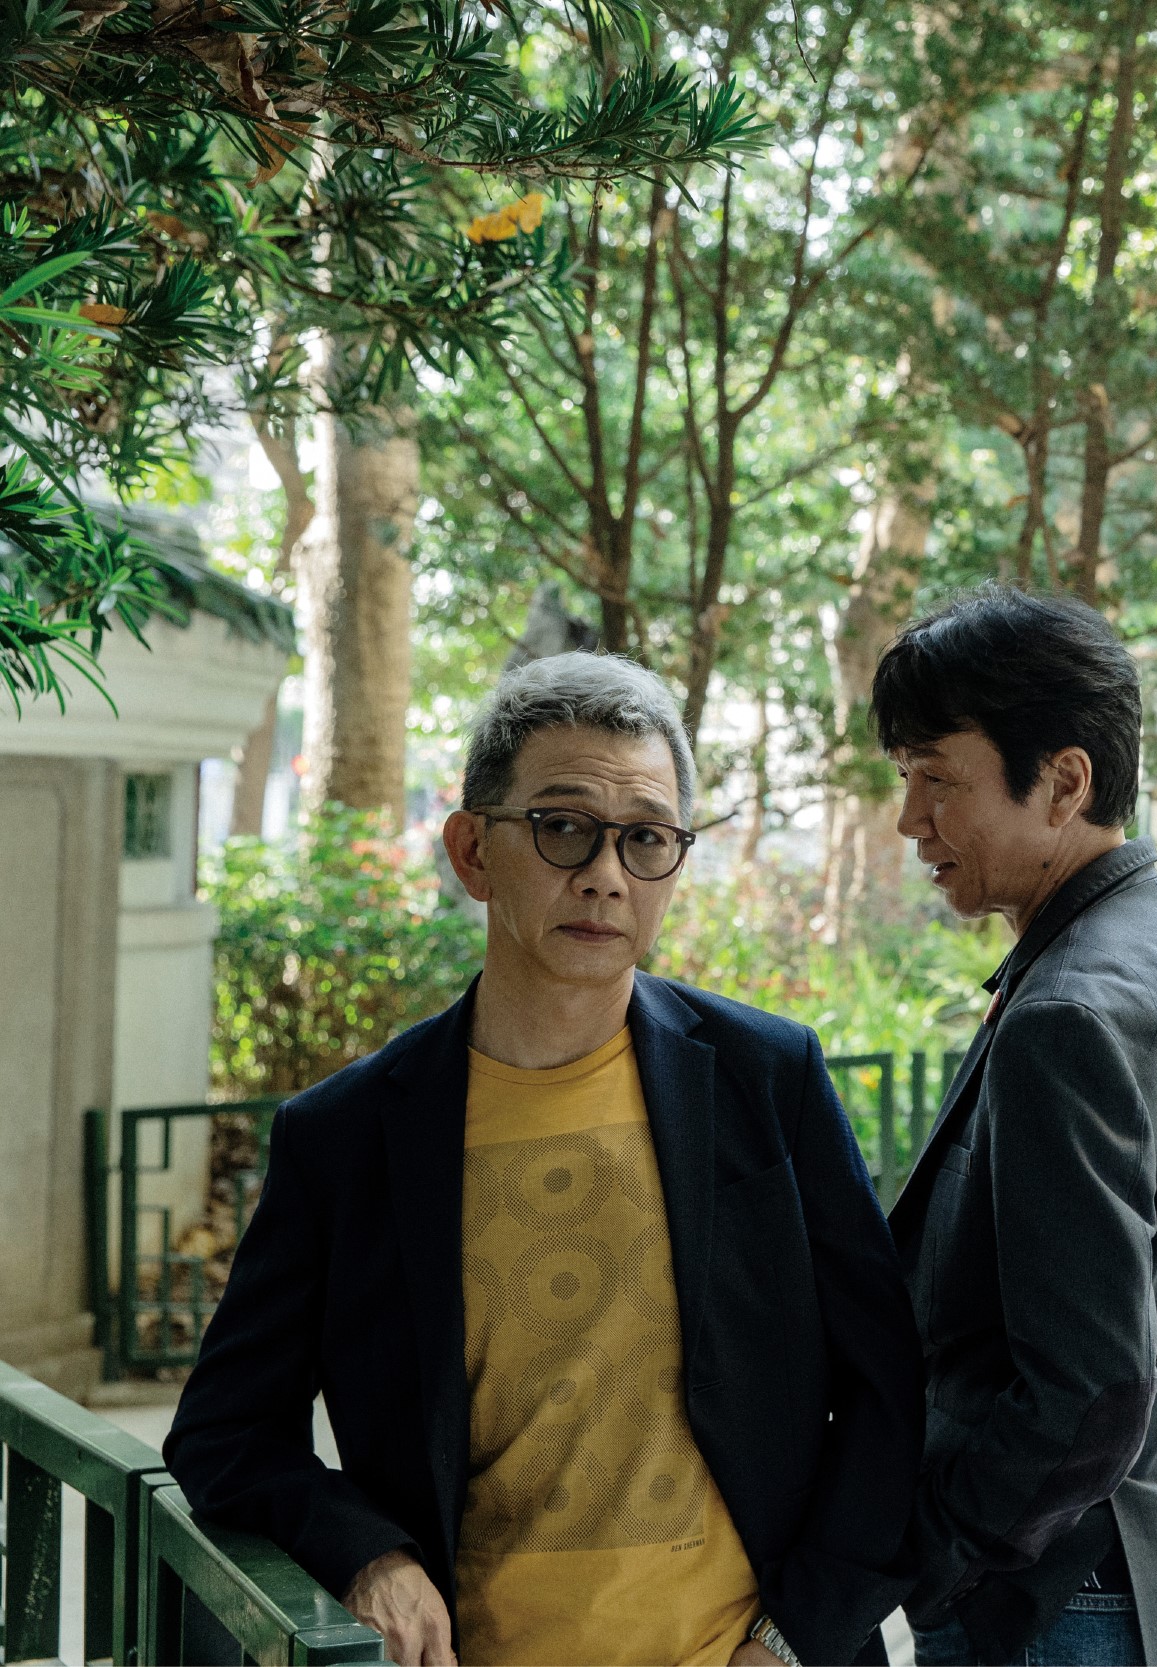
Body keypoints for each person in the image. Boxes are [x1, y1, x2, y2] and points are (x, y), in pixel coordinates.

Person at [164, 652, 922, 1667]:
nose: (606, 874)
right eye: (564, 827)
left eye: (645, 837)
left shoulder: (766, 1079)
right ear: (472, 851)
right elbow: (225, 1431)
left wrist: (794, 1639)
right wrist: (367, 1555)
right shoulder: (346, 1136)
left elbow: (887, 1391)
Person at [875, 585, 1157, 1667]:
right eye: (904, 777)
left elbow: (1089, 1386)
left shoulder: (1068, 1010)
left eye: (937, 778)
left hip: (1062, 1608)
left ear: (1064, 782)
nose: (910, 818)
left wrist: (936, 1551)